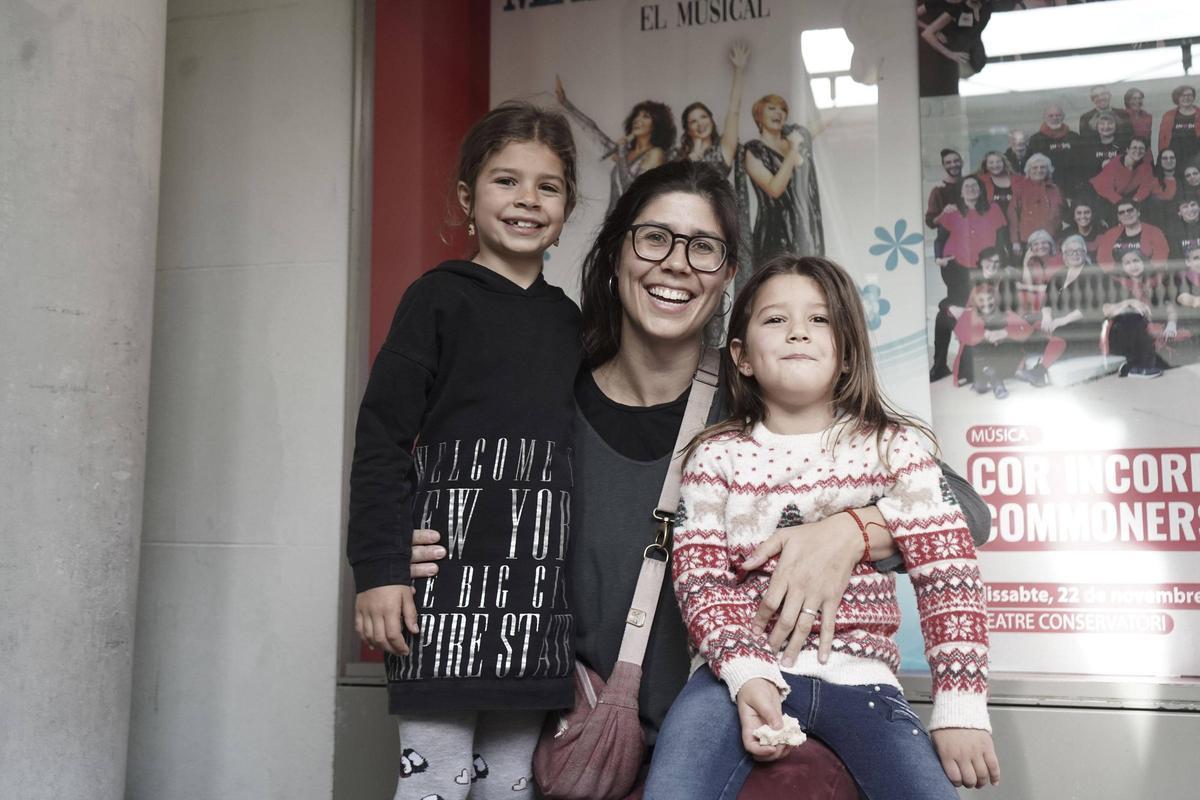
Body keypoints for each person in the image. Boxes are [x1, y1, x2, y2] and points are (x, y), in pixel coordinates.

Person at [643, 256, 997, 799]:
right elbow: (699, 580)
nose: (798, 333)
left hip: (863, 680)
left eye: (820, 320)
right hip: (729, 678)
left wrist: (961, 708)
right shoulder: (714, 456)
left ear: (848, 352)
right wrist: (744, 673)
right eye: (775, 320)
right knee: (672, 788)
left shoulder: (897, 446)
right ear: (741, 356)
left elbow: (949, 573)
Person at [346, 102, 582, 800]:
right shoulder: (436, 301)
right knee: (436, 786)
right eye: (506, 181)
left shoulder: (571, 322)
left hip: (538, 604)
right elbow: (380, 439)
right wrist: (381, 568)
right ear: (466, 198)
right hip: (442, 597)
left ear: (567, 207)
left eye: (548, 186)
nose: (527, 201)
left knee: (512, 786)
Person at [555, 76, 674, 215]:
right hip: (613, 223)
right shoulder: (624, 152)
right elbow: (593, 131)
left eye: (645, 116)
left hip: (635, 225)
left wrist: (622, 154)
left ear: (656, 125)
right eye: (637, 116)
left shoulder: (656, 154)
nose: (638, 120)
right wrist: (566, 104)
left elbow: (633, 190)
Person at [929, 176, 1009, 381]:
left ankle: (977, 362)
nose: (971, 189)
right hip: (958, 271)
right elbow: (940, 239)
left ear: (981, 190)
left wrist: (1001, 268)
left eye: (975, 186)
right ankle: (939, 366)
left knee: (977, 311)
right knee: (945, 315)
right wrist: (940, 258)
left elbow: (1002, 242)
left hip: (986, 271)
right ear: (961, 192)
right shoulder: (952, 212)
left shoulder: (994, 210)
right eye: (967, 187)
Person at [739, 93, 824, 282]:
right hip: (774, 234)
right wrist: (793, 150)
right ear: (758, 116)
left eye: (783, 109)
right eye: (772, 108)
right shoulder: (753, 151)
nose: (779, 112)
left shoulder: (797, 140)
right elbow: (774, 189)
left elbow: (824, 121)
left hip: (805, 229)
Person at [675, 42, 750, 174]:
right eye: (693, 121)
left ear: (711, 120)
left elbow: (734, 110)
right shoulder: (678, 157)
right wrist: (689, 161)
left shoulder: (724, 148)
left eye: (703, 117)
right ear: (687, 129)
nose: (700, 123)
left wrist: (739, 70)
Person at [1104, 249, 1178, 378]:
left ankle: (1130, 366)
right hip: (1121, 333)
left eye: (1136, 261)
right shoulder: (1117, 284)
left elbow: (1170, 308)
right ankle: (1140, 368)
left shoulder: (1152, 285)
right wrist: (1129, 302)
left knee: (1165, 368)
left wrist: (1172, 324)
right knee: (1132, 316)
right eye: (1127, 263)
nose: (1133, 265)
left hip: (1144, 335)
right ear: (1122, 267)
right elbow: (1107, 310)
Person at [1089, 137, 1157, 223]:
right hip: (1097, 193)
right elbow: (1105, 188)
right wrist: (1123, 202)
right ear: (1127, 150)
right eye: (1134, 148)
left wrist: (1135, 200)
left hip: (1121, 196)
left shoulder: (1146, 167)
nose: (1138, 151)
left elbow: (1146, 187)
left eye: (1141, 148)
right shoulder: (1115, 163)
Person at [1007, 153, 1063, 257]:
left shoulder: (1054, 189)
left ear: (1048, 170)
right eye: (1035, 168)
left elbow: (1059, 216)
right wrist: (1015, 241)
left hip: (1050, 240)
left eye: (1043, 167)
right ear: (1028, 170)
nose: (1039, 170)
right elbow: (1013, 215)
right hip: (1027, 241)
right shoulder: (1020, 188)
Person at [1096, 200, 1170, 273]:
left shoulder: (1154, 232)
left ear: (1138, 213)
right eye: (1121, 212)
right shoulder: (1110, 234)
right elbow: (1103, 259)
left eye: (1130, 210)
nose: (1126, 214)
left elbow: (1160, 257)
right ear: (1118, 217)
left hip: (1149, 279)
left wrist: (1141, 276)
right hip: (1119, 280)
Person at [1029, 104, 1083, 201]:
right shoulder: (1036, 139)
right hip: (1047, 187)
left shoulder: (1074, 137)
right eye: (1051, 116)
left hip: (1071, 188)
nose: (1055, 118)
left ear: (1063, 116)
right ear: (1044, 117)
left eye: (1058, 115)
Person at [926, 148, 965, 260]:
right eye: (948, 162)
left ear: (962, 162)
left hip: (972, 246)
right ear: (943, 166)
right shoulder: (938, 191)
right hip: (948, 251)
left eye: (956, 161)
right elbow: (931, 223)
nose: (953, 165)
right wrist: (944, 213)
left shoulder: (971, 185)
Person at [1078, 111, 1124, 190]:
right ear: (1096, 126)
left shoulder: (1123, 146)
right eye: (1102, 124)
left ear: (1116, 125)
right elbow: (1085, 173)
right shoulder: (1089, 147)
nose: (1106, 127)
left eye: (1110, 123)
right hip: (1094, 188)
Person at [1158, 85, 1200, 169]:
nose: (1186, 98)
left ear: (1193, 97)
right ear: (1177, 98)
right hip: (1174, 159)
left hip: (1196, 158)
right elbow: (1162, 138)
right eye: (1182, 95)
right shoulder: (1168, 115)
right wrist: (1163, 157)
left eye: (1189, 95)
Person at [978, 150, 1016, 215]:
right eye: (991, 162)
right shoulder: (980, 181)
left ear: (1004, 163)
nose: (995, 165)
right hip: (992, 221)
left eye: (998, 162)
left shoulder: (1016, 179)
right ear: (985, 165)